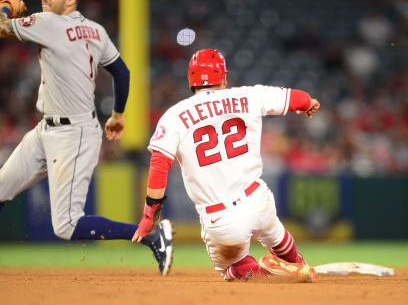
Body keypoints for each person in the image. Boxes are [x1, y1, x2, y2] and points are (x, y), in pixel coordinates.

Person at [0, 0, 173, 277]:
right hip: (49, 129)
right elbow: (121, 72)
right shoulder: (96, 30)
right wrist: (118, 114)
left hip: (75, 133)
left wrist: (5, 9)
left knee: (67, 225)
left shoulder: (48, 23)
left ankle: (151, 235)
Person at [132, 49, 320, 281]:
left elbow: (159, 164)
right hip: (258, 199)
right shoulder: (249, 95)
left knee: (234, 269)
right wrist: (308, 103)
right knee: (276, 235)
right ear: (223, 77)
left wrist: (150, 214)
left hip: (220, 217)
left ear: (191, 80)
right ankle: (298, 264)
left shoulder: (174, 115)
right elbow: (297, 98)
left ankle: (267, 272)